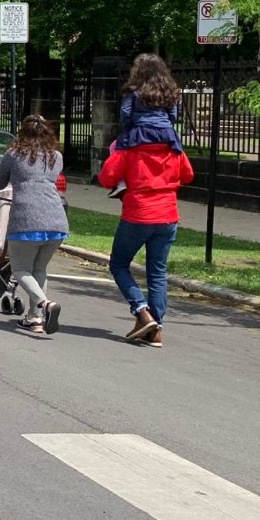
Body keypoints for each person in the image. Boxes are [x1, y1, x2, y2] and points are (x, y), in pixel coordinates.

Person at [99, 63, 195, 348]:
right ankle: (156, 329)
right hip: (168, 215)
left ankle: (141, 311)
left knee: (118, 264)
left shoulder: (130, 144)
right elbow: (188, 174)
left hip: (138, 213)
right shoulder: (172, 145)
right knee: (157, 272)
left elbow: (107, 177)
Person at [0, 115, 70, 335]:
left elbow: (0, 182)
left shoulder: (13, 155)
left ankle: (44, 305)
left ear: (22, 132)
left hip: (26, 219)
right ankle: (34, 318)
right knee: (39, 269)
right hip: (56, 219)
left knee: (20, 269)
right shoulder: (56, 156)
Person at [108, 54, 185, 198]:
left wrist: (128, 129)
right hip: (166, 132)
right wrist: (166, 126)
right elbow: (173, 113)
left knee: (114, 147)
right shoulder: (168, 89)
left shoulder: (133, 89)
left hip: (141, 130)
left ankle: (121, 183)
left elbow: (125, 112)